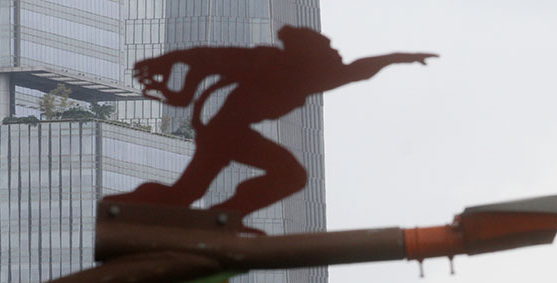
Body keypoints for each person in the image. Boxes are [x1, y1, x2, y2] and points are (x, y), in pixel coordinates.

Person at [106, 26, 436, 233]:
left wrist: (398, 57)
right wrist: (169, 60)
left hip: (224, 131)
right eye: (330, 50)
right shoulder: (271, 62)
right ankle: (221, 217)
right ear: (311, 54)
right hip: (226, 130)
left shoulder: (310, 76)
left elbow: (358, 70)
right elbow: (209, 56)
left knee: (185, 194)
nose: (337, 55)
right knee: (290, 175)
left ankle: (125, 207)